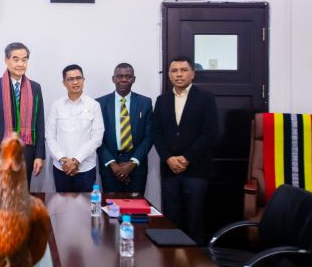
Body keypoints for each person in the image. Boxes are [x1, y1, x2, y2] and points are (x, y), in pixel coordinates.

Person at [151, 55, 218, 245]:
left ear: (192, 74)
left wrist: (187, 158)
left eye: (183, 70)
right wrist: (168, 158)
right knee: (172, 218)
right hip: (170, 170)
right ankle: (172, 256)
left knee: (194, 218)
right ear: (169, 75)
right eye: (174, 71)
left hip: (196, 170)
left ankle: (196, 256)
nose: (178, 74)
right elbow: (156, 132)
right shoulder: (162, 100)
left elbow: (210, 133)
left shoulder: (205, 99)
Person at [0, 42, 45, 186]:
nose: (20, 64)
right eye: (16, 59)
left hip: (26, 154)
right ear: (6, 60)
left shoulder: (35, 88)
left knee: (21, 194)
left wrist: (39, 155)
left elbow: (40, 124)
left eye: (24, 59)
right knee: (0, 195)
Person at [45, 64, 104, 192]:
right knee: (62, 203)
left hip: (86, 168)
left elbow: (97, 138)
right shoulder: (56, 105)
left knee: (85, 204)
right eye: (70, 79)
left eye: (78, 78)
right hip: (61, 167)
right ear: (64, 83)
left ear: (83, 80)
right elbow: (50, 136)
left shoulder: (94, 105)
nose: (75, 82)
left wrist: (76, 160)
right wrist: (63, 160)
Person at [96, 63, 153, 194]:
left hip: (137, 167)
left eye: (128, 76)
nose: (123, 79)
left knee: (136, 205)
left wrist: (132, 163)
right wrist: (112, 163)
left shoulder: (145, 103)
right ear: (113, 79)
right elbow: (96, 137)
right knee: (111, 205)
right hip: (110, 168)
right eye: (119, 76)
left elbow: (149, 136)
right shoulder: (99, 103)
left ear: (134, 79)